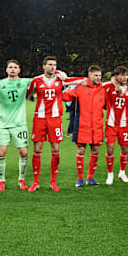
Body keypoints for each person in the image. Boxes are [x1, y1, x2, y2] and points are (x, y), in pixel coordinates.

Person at [26, 56, 79, 192]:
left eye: (54, 65)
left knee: (55, 149)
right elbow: (26, 94)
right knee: (37, 150)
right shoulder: (36, 81)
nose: (52, 67)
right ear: (44, 66)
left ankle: (53, 182)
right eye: (49, 64)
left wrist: (65, 78)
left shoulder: (61, 80)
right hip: (40, 119)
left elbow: (81, 81)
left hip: (55, 119)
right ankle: (36, 181)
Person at [0, 60, 32, 191]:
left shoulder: (25, 82)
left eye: (15, 67)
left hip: (19, 124)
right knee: (2, 152)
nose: (13, 69)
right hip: (3, 124)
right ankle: (1, 181)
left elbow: (41, 80)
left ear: (19, 70)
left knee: (24, 152)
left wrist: (58, 74)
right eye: (10, 67)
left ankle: (21, 179)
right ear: (6, 69)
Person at [62, 65, 106, 187]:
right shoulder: (80, 87)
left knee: (95, 151)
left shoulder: (102, 89)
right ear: (89, 75)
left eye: (100, 75)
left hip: (96, 126)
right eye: (96, 75)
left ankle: (90, 178)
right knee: (81, 150)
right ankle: (80, 179)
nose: (98, 78)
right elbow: (65, 96)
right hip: (82, 125)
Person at [103, 66, 128, 185]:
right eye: (121, 75)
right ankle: (110, 174)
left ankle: (122, 173)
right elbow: (99, 85)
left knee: (125, 150)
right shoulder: (109, 87)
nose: (124, 77)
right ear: (117, 76)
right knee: (110, 150)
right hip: (111, 124)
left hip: (124, 125)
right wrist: (114, 82)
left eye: (126, 75)